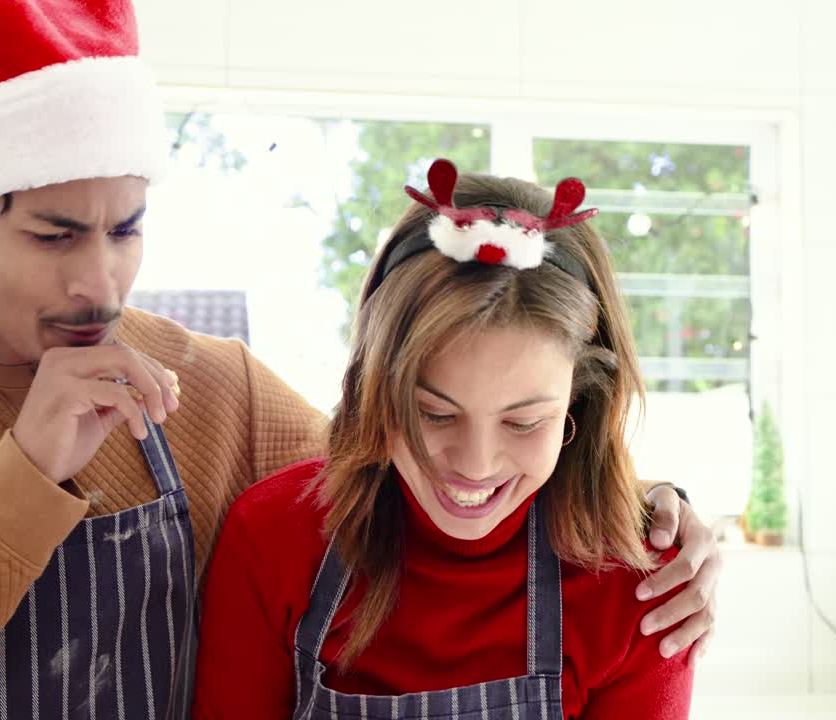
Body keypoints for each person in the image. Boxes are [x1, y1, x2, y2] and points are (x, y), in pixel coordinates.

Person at [0, 2, 716, 718]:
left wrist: (644, 510)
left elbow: (438, 474)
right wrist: (20, 477)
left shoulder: (218, 392)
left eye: (125, 227)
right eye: (53, 234)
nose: (99, 283)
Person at [194, 161, 698, 719]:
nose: (475, 466)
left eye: (523, 422)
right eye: (433, 414)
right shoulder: (274, 536)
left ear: (581, 400)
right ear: (374, 386)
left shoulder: (642, 583)